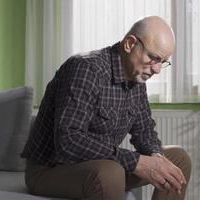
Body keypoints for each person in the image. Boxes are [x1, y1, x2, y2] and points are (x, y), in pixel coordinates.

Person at [21, 16, 191, 200]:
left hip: (104, 164)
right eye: (153, 58)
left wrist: (156, 156)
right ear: (130, 44)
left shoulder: (138, 78)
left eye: (163, 61)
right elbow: (68, 141)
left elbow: (145, 132)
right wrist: (136, 162)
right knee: (110, 172)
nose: (157, 69)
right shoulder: (85, 68)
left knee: (177, 160)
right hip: (51, 169)